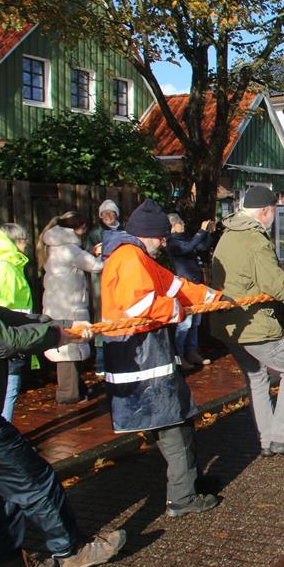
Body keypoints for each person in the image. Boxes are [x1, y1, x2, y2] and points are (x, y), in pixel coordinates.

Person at [0, 227, 125, 567]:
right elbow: (3, 338)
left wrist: (60, 326)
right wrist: (55, 337)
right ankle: (72, 551)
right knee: (36, 480)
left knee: (5, 488)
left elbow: (3, 317)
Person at [101, 199, 222, 517]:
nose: (165, 243)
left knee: (182, 419)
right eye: (162, 237)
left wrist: (212, 298)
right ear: (148, 234)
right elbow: (139, 306)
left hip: (148, 360)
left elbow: (173, 286)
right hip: (141, 364)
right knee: (173, 427)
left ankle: (190, 483)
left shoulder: (136, 257)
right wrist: (176, 311)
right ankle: (182, 498)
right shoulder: (129, 258)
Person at [211, 186, 284, 457]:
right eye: (274, 211)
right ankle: (283, 437)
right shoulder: (255, 239)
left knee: (257, 377)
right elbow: (278, 286)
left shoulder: (227, 235)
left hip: (228, 325)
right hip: (254, 323)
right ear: (265, 211)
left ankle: (267, 439)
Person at [39, 212, 103, 404]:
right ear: (78, 229)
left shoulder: (53, 246)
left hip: (56, 304)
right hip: (69, 306)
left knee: (65, 346)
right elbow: (97, 266)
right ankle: (69, 394)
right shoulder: (69, 249)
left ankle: (76, 388)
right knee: (68, 349)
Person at [0, 224, 33, 421]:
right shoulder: (6, 268)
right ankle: (5, 432)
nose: (26, 244)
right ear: (16, 241)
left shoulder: (5, 264)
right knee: (9, 388)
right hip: (11, 336)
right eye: (24, 239)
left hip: (11, 334)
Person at [166, 213, 216, 371]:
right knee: (184, 325)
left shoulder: (185, 238)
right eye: (180, 222)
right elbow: (188, 247)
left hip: (196, 286)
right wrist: (200, 232)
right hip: (184, 289)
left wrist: (208, 233)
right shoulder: (172, 242)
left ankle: (192, 352)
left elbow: (202, 247)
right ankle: (179, 357)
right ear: (173, 226)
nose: (183, 225)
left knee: (195, 323)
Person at [88, 200, 121, 377]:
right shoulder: (95, 233)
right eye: (104, 213)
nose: (108, 216)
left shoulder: (124, 231)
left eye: (111, 212)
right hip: (101, 280)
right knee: (102, 318)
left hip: (121, 279)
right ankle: (101, 363)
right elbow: (87, 254)